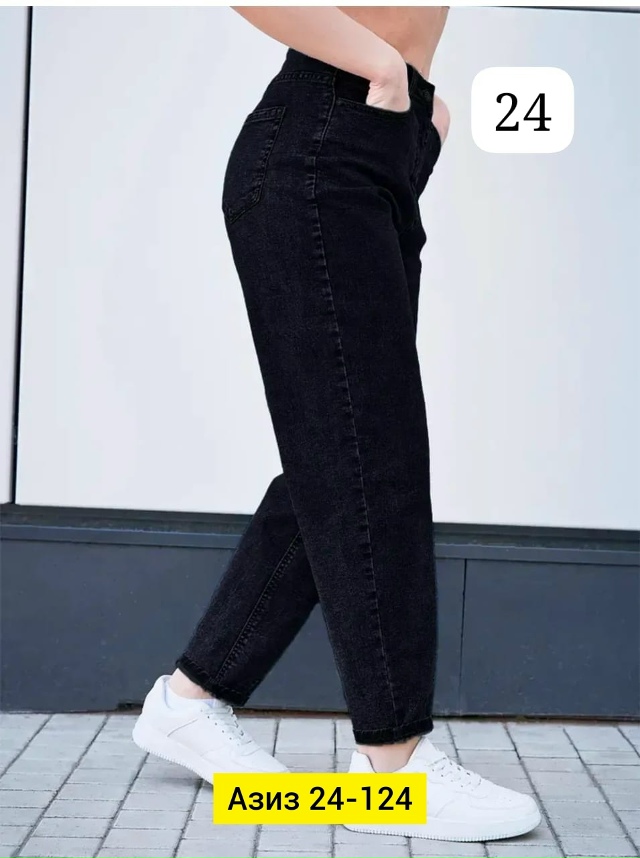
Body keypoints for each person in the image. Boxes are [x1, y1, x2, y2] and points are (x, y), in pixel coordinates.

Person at [132, 6, 541, 842]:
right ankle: (393, 769)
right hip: (322, 142)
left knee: (342, 447)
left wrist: (422, 111)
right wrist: (381, 68)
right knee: (368, 451)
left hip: (377, 146)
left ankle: (190, 699)